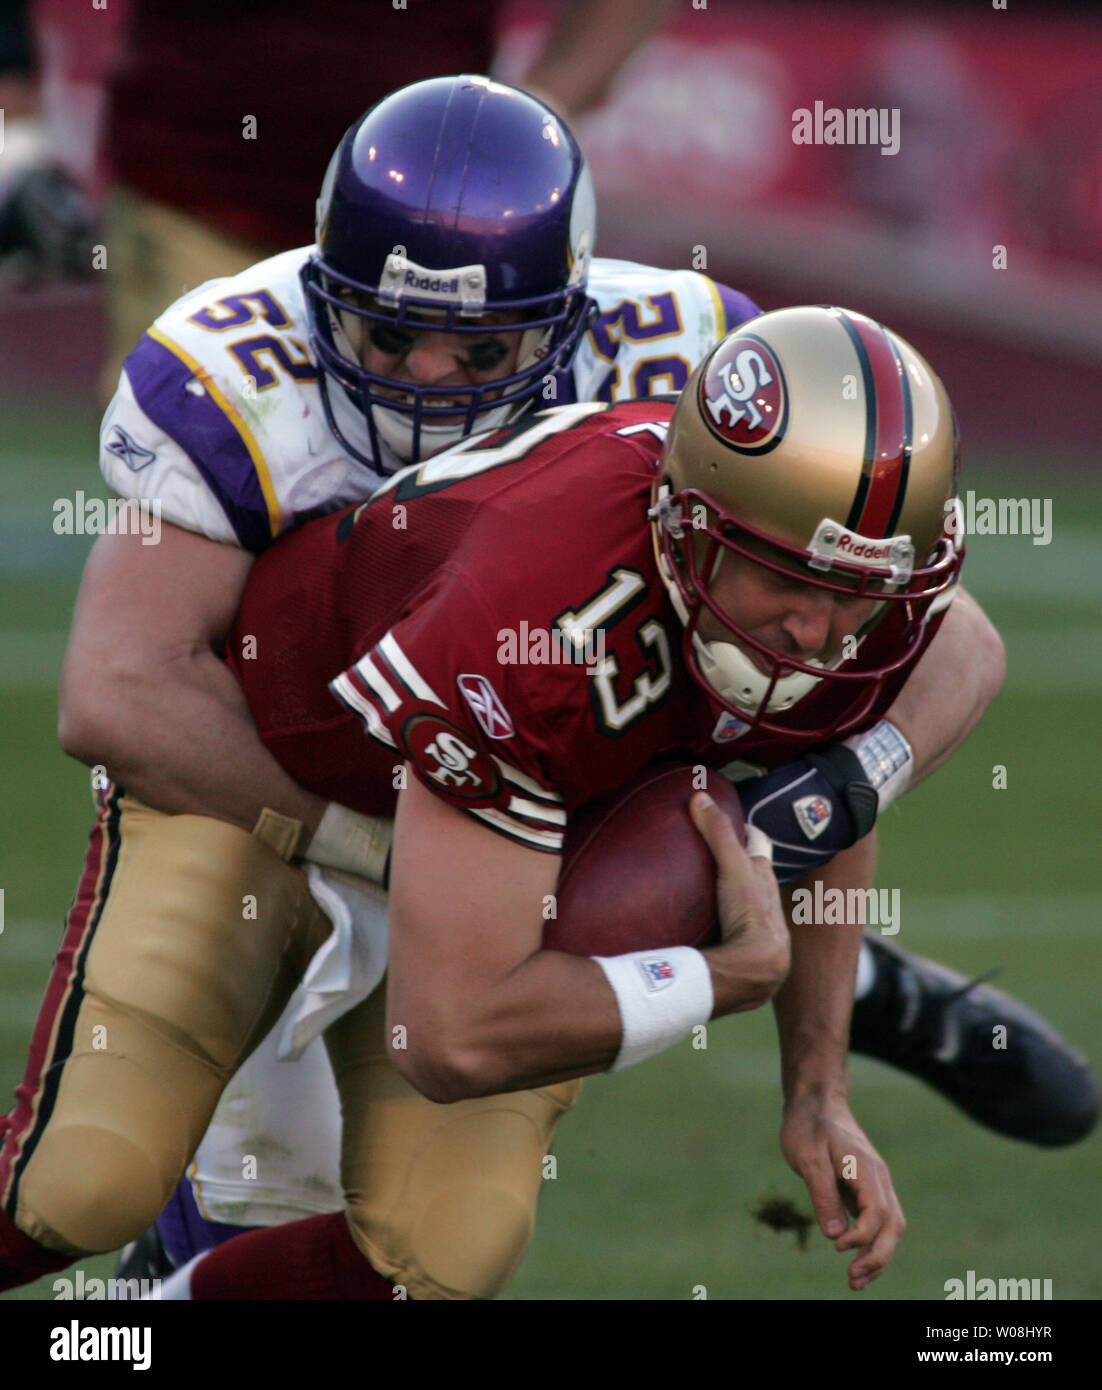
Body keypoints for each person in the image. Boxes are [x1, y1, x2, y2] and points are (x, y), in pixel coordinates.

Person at [0, 78, 1085, 1299]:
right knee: (84, 1176)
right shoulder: (240, 367)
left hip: (515, 808)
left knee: (443, 1252)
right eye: (385, 336)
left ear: (569, 318)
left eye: (479, 347)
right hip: (271, 773)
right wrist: (379, 847)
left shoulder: (693, 366)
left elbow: (930, 648)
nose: (426, 379)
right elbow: (119, 694)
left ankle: (138, 1319)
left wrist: (828, 816)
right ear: (320, 297)